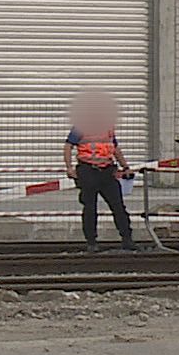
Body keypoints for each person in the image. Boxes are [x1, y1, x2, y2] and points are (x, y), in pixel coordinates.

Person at [63, 92, 135, 253]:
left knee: (118, 206)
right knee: (90, 208)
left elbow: (114, 148)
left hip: (107, 171)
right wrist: (69, 168)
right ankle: (91, 242)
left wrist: (125, 167)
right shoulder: (81, 127)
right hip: (88, 171)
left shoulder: (108, 127)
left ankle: (127, 239)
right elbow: (68, 146)